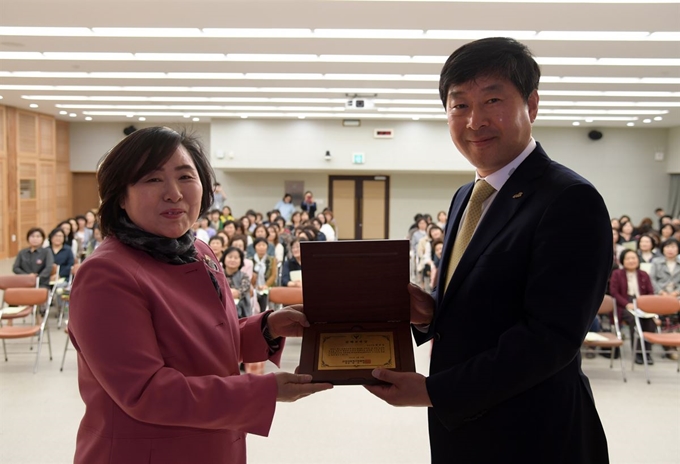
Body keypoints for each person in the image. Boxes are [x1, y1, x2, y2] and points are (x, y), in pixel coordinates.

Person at [364, 38, 611, 463]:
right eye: (459, 105)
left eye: (492, 99)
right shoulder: (467, 195)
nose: (475, 120)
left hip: (534, 434)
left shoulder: (569, 198)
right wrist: (429, 312)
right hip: (465, 430)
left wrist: (433, 390)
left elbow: (551, 337)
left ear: (531, 105)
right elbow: (491, 300)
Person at [67, 127, 331, 464]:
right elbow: (146, 391)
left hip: (214, 444)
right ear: (121, 195)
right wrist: (264, 390)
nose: (174, 194)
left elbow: (206, 341)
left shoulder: (198, 252)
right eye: (152, 179)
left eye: (184, 176)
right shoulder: (106, 274)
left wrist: (267, 328)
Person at [609, 249, 656, 364]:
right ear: (622, 261)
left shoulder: (644, 274)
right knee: (634, 319)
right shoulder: (617, 274)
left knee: (650, 320)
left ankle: (647, 353)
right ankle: (638, 353)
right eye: (628, 258)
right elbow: (614, 293)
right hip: (624, 305)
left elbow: (650, 292)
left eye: (633, 258)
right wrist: (627, 304)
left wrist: (643, 304)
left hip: (641, 304)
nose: (631, 261)